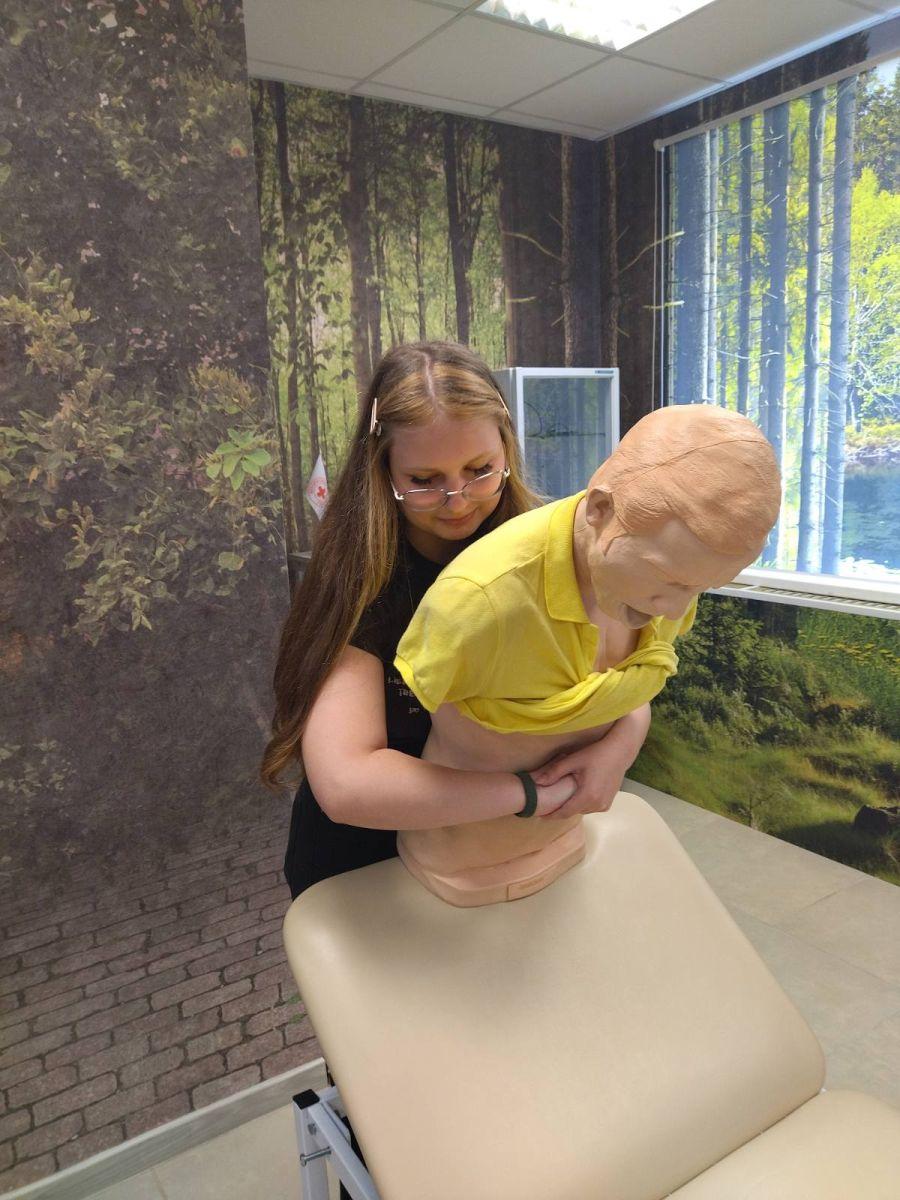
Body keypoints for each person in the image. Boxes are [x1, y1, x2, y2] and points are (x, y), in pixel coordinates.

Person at [261, 341, 651, 901]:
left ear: (506, 448)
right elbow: (347, 783)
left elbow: (621, 677)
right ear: (382, 468)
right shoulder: (363, 582)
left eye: (480, 470)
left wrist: (620, 745)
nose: (457, 500)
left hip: (506, 849)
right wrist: (531, 794)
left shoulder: (551, 555)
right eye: (424, 479)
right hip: (368, 864)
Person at [394, 403, 781, 905]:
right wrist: (533, 793)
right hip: (459, 853)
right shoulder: (477, 604)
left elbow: (627, 692)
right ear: (600, 510)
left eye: (701, 587)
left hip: (566, 837)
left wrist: (621, 745)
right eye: (670, 580)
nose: (678, 609)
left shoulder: (669, 578)